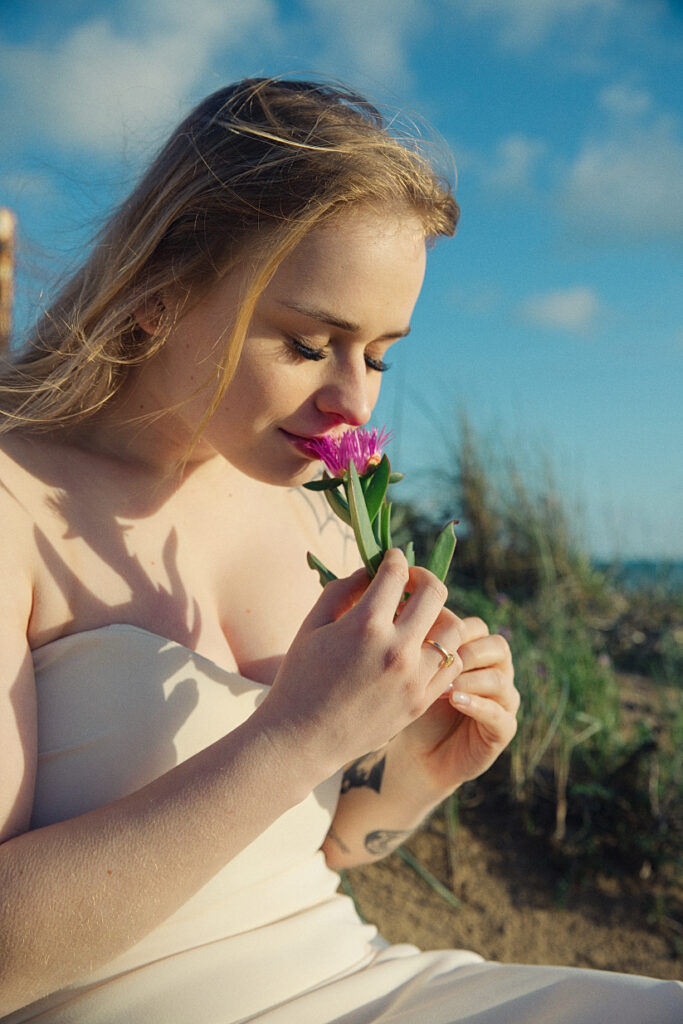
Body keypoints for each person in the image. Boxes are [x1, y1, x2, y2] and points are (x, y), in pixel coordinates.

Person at [0, 77, 679, 1024]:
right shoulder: (13, 503)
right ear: (157, 296)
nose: (356, 403)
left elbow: (328, 851)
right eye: (312, 342)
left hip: (365, 982)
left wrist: (422, 771)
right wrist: (300, 734)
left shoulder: (318, 512)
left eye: (382, 354)